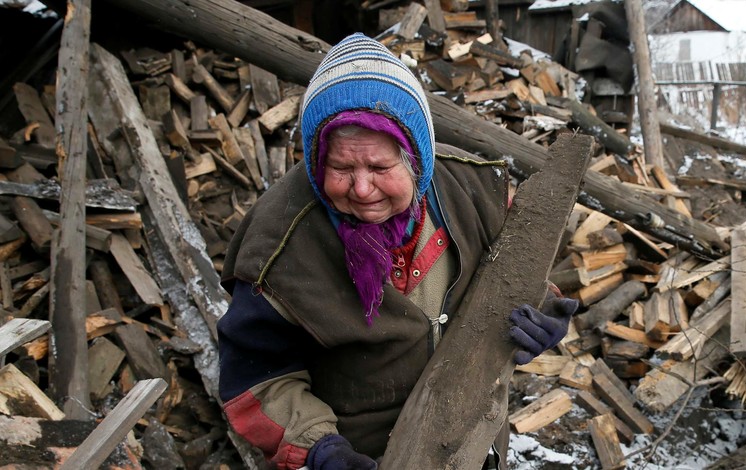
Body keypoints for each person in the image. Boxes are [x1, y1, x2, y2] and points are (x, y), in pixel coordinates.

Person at [217, 33, 579, 470]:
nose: (362, 188)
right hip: (363, 455)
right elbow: (257, 380)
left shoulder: (474, 189)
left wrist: (542, 311)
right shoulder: (278, 244)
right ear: (317, 161)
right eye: (341, 168)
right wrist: (319, 449)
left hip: (472, 440)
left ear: (416, 158)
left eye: (380, 167)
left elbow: (520, 273)